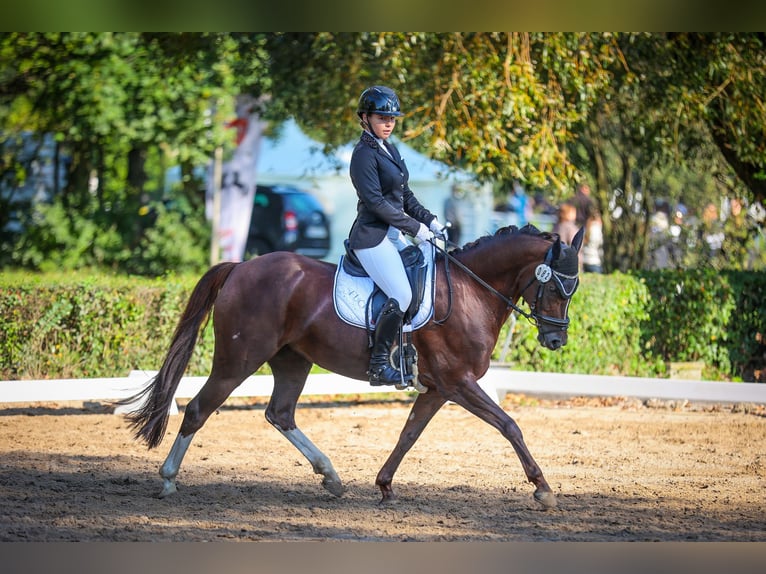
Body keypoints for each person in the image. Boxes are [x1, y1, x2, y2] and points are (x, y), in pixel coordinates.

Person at [347, 85, 446, 386]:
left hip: (392, 234)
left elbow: (404, 195)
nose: (388, 123)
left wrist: (430, 219)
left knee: (425, 277)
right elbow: (376, 203)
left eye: (392, 118)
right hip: (371, 237)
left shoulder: (389, 147)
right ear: (365, 117)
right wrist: (415, 229)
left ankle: (407, 355)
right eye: (381, 117)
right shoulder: (363, 154)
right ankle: (378, 365)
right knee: (401, 294)